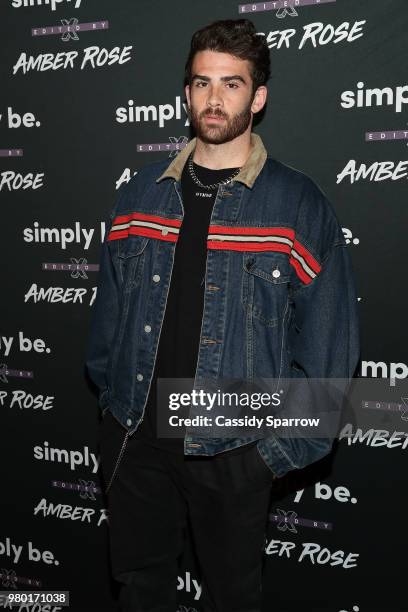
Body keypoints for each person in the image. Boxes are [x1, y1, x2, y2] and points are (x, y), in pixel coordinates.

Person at [85, 18, 360, 612]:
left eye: (232, 84)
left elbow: (330, 359)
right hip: (138, 435)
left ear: (257, 97)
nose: (214, 99)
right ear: (186, 92)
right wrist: (113, 418)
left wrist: (265, 460)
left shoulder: (298, 204)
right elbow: (107, 326)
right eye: (202, 82)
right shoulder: (140, 193)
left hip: (234, 445)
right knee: (138, 591)